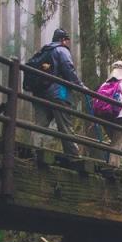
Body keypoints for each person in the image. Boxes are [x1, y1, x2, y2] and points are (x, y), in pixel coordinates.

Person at [32, 28, 84, 157]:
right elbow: (68, 69)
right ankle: (74, 156)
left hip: (39, 92)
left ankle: (34, 151)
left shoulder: (44, 51)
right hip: (58, 93)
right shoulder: (61, 50)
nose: (68, 43)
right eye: (67, 40)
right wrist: (80, 86)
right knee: (65, 125)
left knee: (40, 125)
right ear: (62, 40)